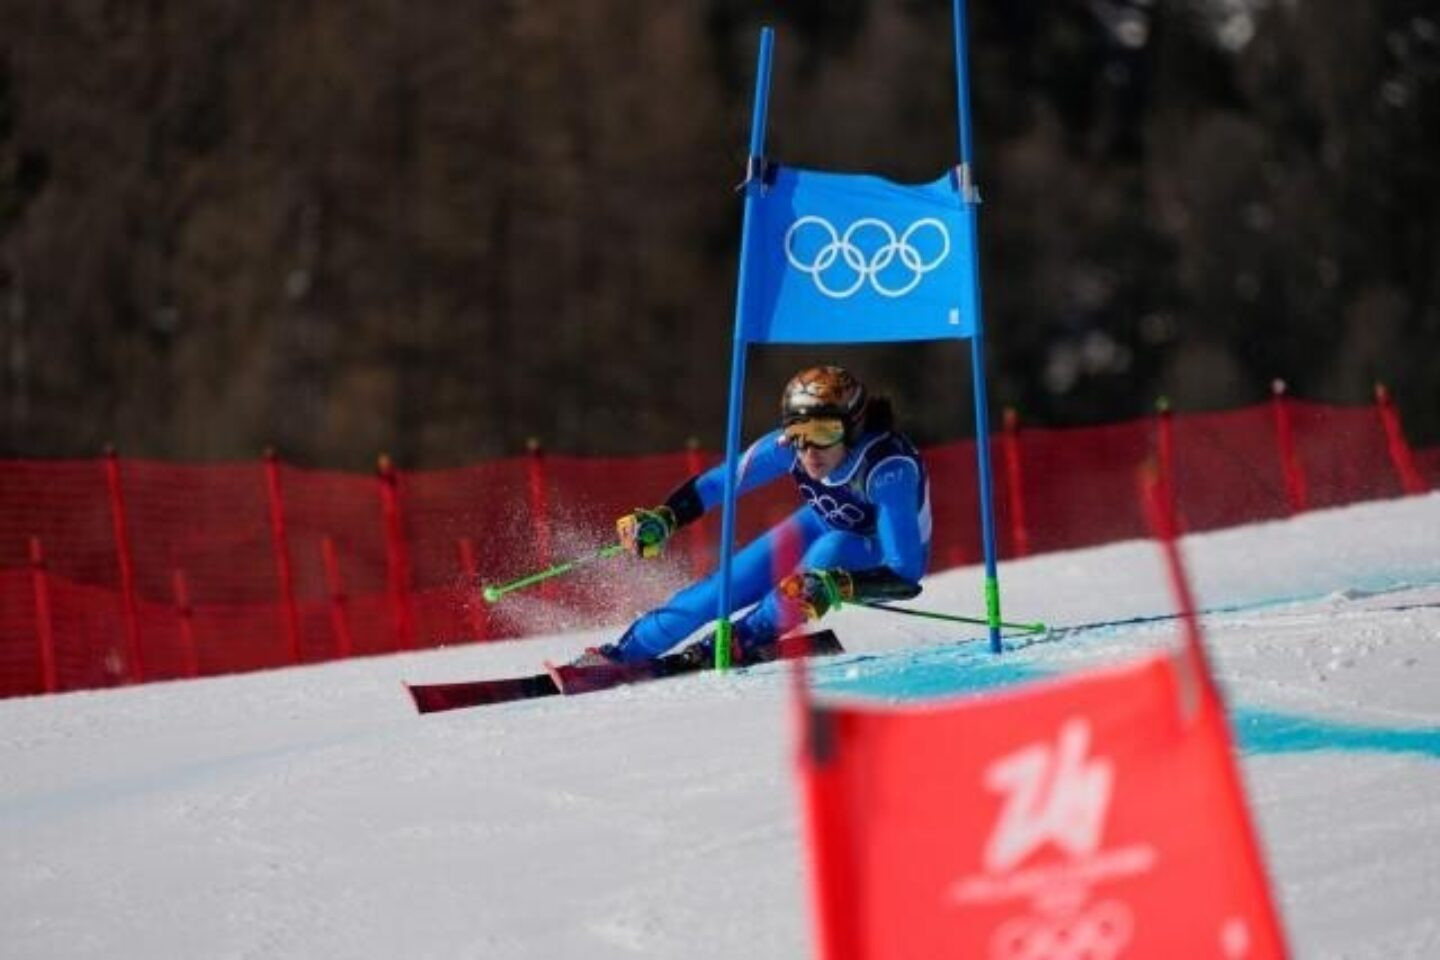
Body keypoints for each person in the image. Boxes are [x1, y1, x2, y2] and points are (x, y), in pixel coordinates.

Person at [573, 365, 931, 667]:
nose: (808, 449)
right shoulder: (787, 447)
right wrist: (666, 518)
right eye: (798, 433)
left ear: (851, 428)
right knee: (721, 589)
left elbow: (906, 573)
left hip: (879, 551)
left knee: (827, 554)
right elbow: (717, 484)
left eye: (824, 432)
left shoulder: (887, 470)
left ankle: (743, 639)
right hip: (821, 521)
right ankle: (622, 655)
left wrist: (837, 585)